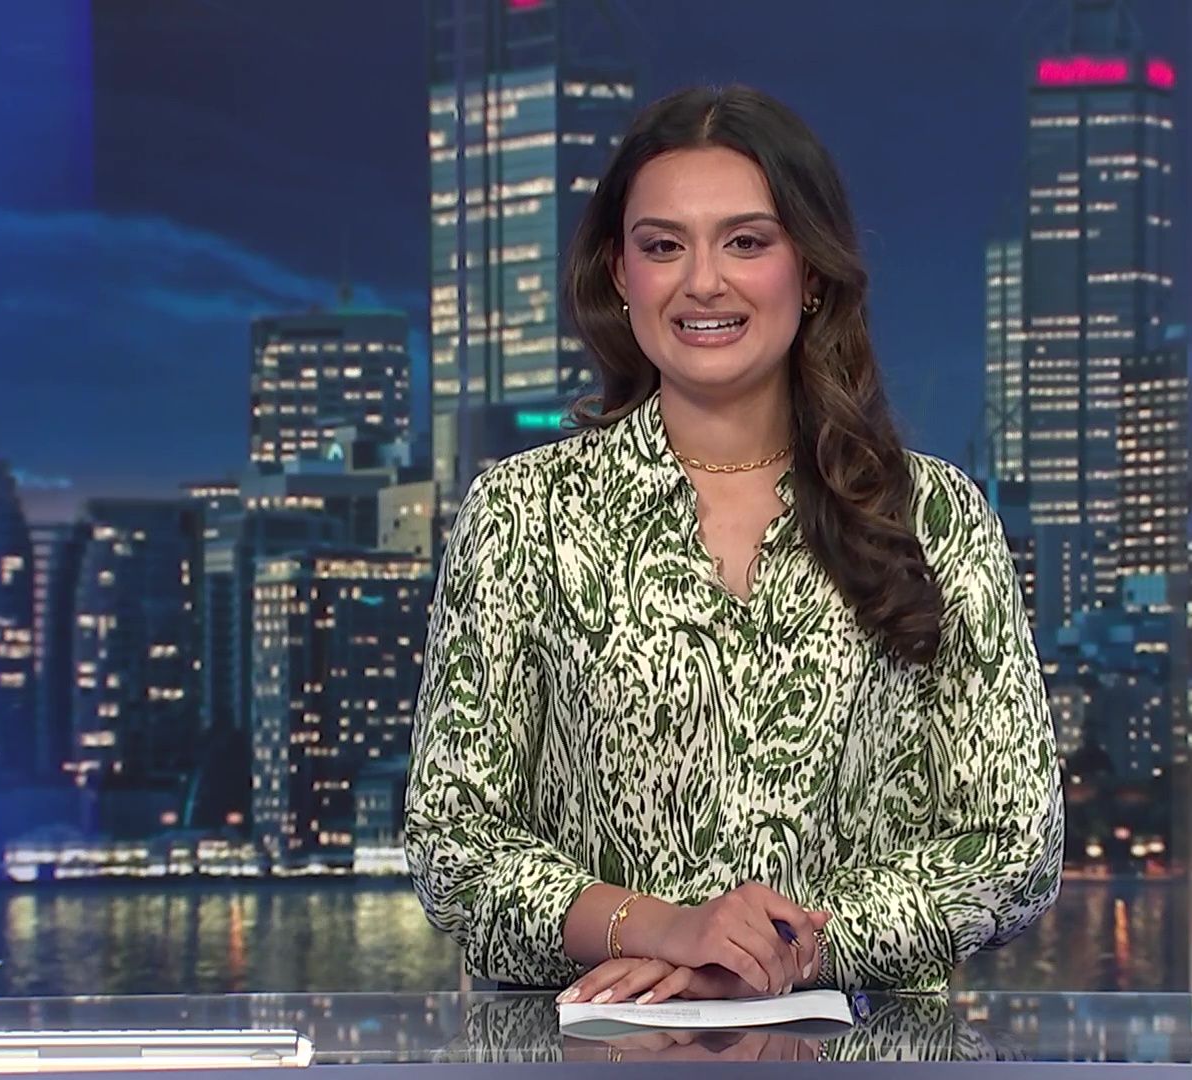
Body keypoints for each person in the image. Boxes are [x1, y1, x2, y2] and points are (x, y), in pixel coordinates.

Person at [404, 83, 1063, 1005]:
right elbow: (454, 843)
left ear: (813, 271)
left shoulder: (935, 516)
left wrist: (777, 954)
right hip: (594, 1054)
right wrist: (668, 929)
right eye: (662, 246)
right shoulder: (521, 513)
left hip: (862, 1052)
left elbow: (1013, 846)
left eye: (746, 242)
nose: (703, 282)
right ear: (620, 275)